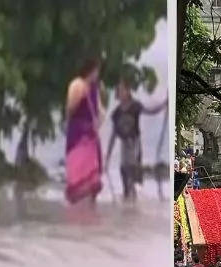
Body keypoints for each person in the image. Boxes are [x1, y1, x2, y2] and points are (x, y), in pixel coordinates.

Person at [105, 79, 164, 199]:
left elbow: (150, 111)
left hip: (135, 142)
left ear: (128, 91)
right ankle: (128, 200)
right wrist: (108, 156)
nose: (121, 93)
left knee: (132, 170)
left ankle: (132, 197)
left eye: (123, 90)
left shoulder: (135, 106)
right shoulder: (116, 113)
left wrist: (164, 105)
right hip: (124, 145)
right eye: (119, 90)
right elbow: (113, 135)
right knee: (123, 171)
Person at [64, 58, 103, 204]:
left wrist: (96, 125)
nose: (97, 74)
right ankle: (77, 199)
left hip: (90, 134)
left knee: (93, 169)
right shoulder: (77, 85)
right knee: (78, 166)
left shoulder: (94, 88)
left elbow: (98, 111)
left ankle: (89, 203)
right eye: (96, 70)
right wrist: (81, 95)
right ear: (91, 70)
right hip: (78, 133)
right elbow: (70, 109)